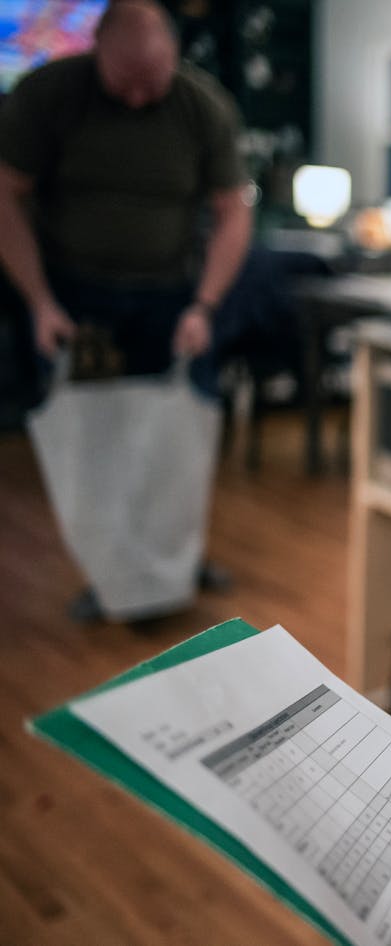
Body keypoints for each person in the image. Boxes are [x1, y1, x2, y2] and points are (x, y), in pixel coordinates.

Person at [0, 0, 252, 619]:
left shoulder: (202, 105)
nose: (139, 98)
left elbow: (233, 210)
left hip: (172, 298)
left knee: (174, 440)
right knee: (99, 441)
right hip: (81, 299)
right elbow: (4, 196)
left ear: (174, 57)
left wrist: (205, 304)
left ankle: (176, 559)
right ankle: (109, 571)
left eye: (153, 81)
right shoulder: (48, 97)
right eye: (124, 83)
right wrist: (38, 301)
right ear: (96, 53)